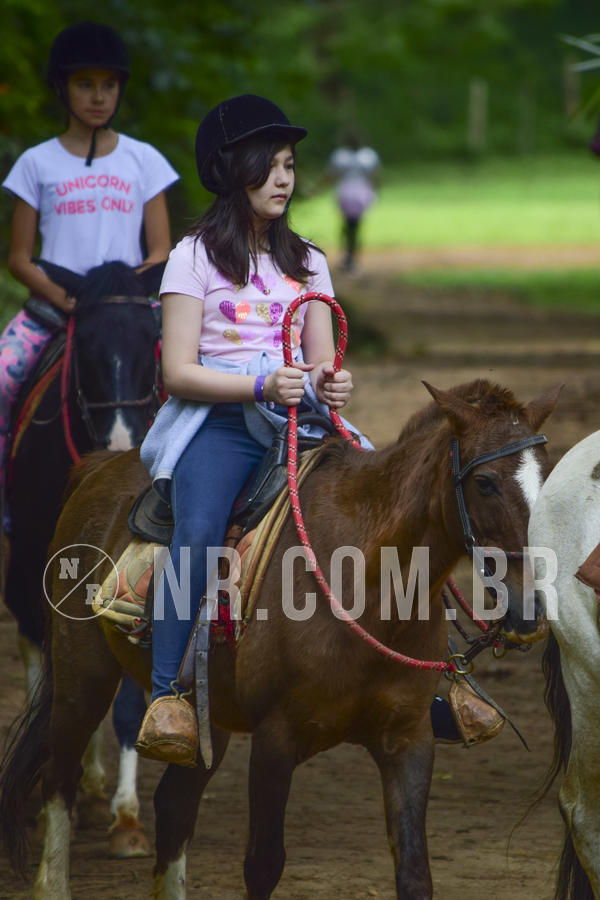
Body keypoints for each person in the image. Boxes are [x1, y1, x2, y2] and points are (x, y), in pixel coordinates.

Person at [135, 94, 501, 764]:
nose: (283, 178)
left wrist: (334, 383)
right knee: (196, 531)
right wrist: (257, 382)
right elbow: (179, 371)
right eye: (267, 165)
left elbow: (323, 359)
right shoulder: (191, 258)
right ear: (227, 169)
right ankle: (168, 694)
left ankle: (443, 677)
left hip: (304, 422)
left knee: (406, 510)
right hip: (220, 424)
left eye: (289, 165)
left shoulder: (307, 259)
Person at [0, 21, 179, 496]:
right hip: (57, 307)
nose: (98, 96)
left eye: (109, 85)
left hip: (127, 310)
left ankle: (190, 493)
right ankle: (6, 505)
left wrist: (112, 299)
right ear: (62, 88)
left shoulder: (145, 160)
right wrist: (68, 300)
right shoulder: (35, 164)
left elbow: (160, 251)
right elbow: (19, 258)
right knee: (1, 378)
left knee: (197, 369)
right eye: (85, 84)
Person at [327, 132, 380, 272]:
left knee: (349, 226)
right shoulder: (368, 156)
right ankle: (351, 256)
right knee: (354, 226)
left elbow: (330, 175)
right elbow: (376, 176)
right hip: (361, 194)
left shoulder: (340, 156)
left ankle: (349, 257)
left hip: (346, 193)